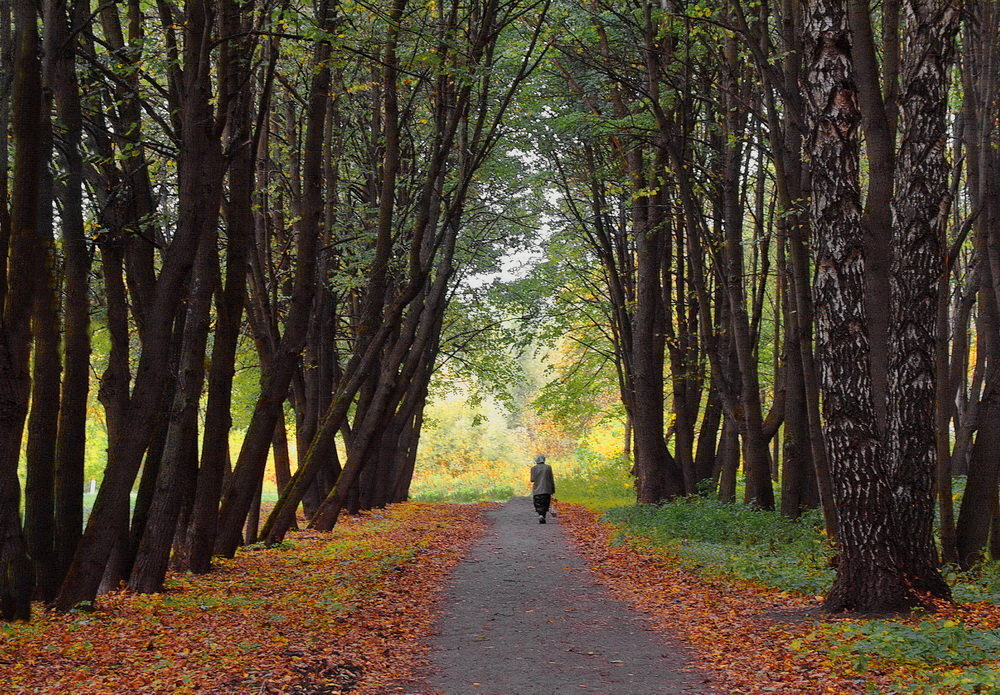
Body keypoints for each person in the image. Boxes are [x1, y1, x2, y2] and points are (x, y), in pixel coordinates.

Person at [529, 454, 555, 524]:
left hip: (537, 490)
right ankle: (543, 515)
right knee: (545, 503)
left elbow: (532, 479)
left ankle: (540, 514)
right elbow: (551, 478)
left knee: (538, 503)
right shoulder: (548, 467)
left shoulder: (533, 468)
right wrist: (553, 489)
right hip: (547, 489)